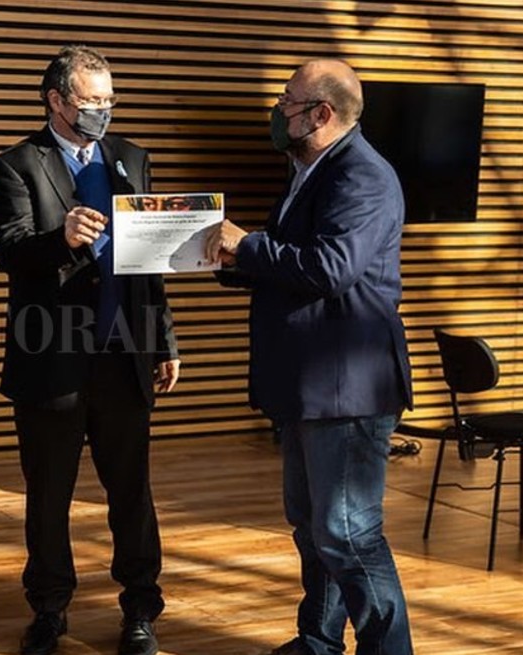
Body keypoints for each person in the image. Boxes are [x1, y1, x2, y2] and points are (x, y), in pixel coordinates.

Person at [205, 59, 415, 655]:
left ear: (321, 114)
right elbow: (289, 263)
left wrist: (246, 245)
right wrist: (229, 258)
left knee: (348, 533)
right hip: (308, 385)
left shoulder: (362, 176)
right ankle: (319, 641)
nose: (277, 110)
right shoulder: (309, 169)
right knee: (312, 527)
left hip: (347, 388)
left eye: (287, 101)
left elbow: (329, 268)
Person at [0, 45, 180, 655]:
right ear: (56, 101)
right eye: (91, 101)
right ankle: (49, 609)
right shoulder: (17, 164)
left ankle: (140, 609)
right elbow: (12, 252)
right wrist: (61, 238)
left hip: (125, 356)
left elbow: (149, 262)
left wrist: (163, 339)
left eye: (108, 101)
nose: (103, 111)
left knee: (132, 492)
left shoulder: (131, 159)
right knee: (49, 495)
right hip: (52, 358)